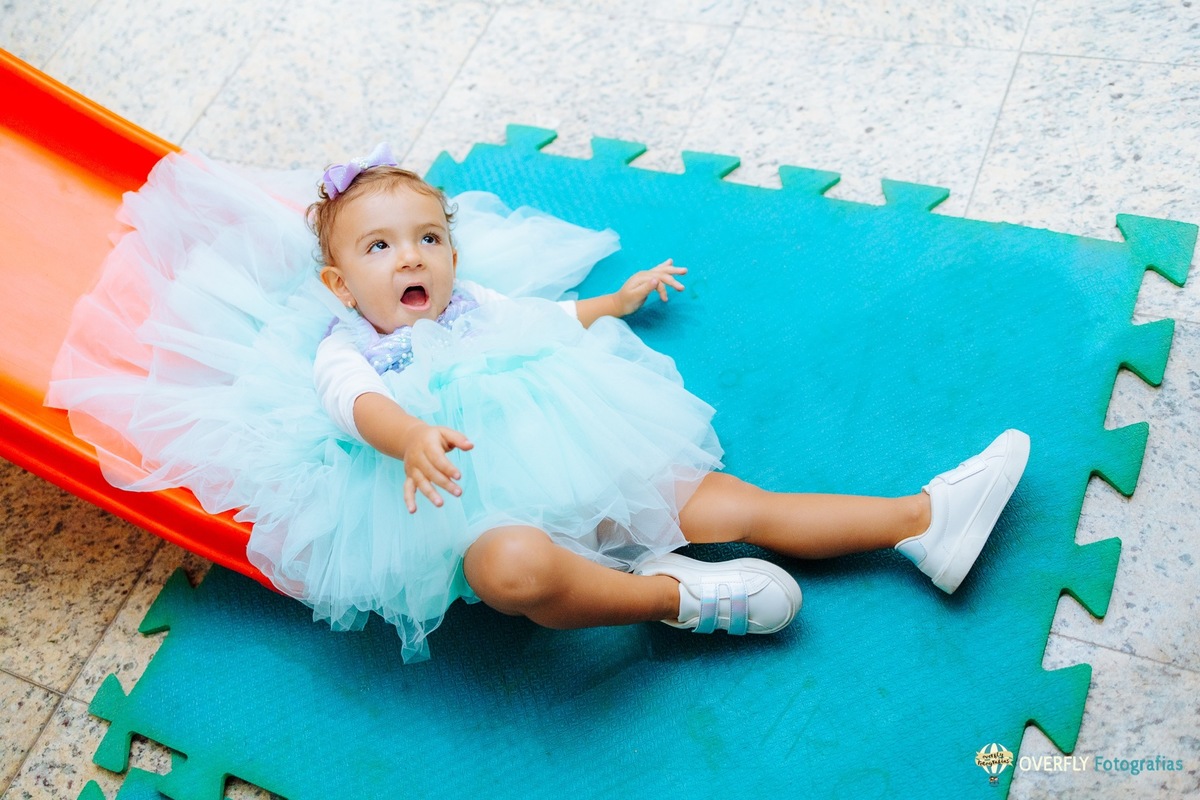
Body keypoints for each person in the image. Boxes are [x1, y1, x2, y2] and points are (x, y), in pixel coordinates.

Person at [47, 145, 1029, 662]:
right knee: (512, 565)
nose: (412, 258)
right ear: (343, 286)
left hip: (589, 458)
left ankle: (922, 521)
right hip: (472, 504)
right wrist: (412, 434)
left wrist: (617, 299)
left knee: (738, 503)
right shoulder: (348, 349)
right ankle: (672, 597)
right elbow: (356, 410)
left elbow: (548, 320)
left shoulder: (473, 301)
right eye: (379, 247)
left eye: (427, 237)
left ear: (452, 251)